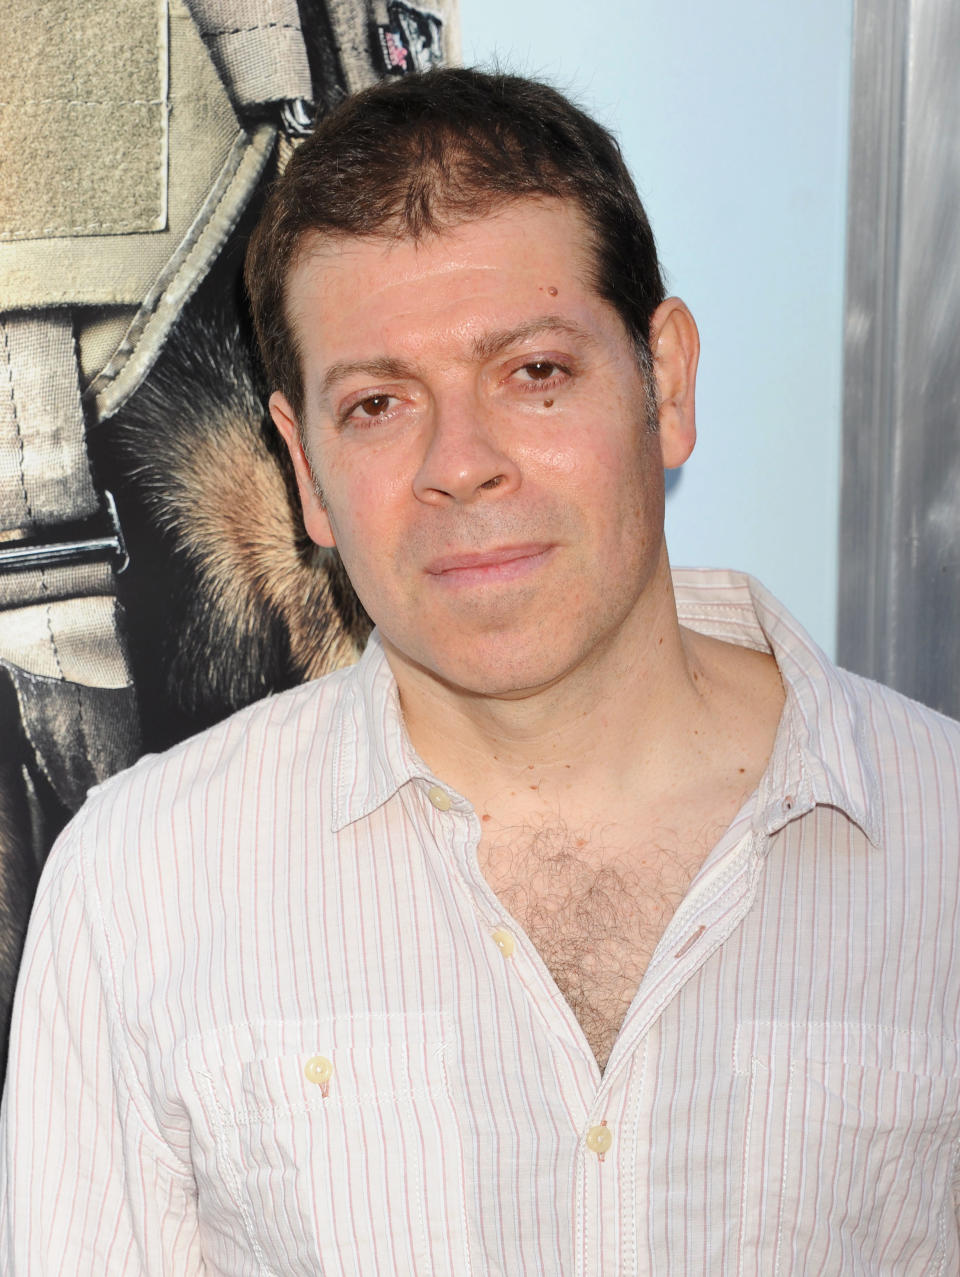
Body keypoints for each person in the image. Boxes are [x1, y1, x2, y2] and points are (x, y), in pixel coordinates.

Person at [2, 67, 959, 1276]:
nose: (462, 464)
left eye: (535, 373)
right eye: (380, 403)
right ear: (305, 473)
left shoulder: (943, 845)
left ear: (665, 383)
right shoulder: (137, 891)